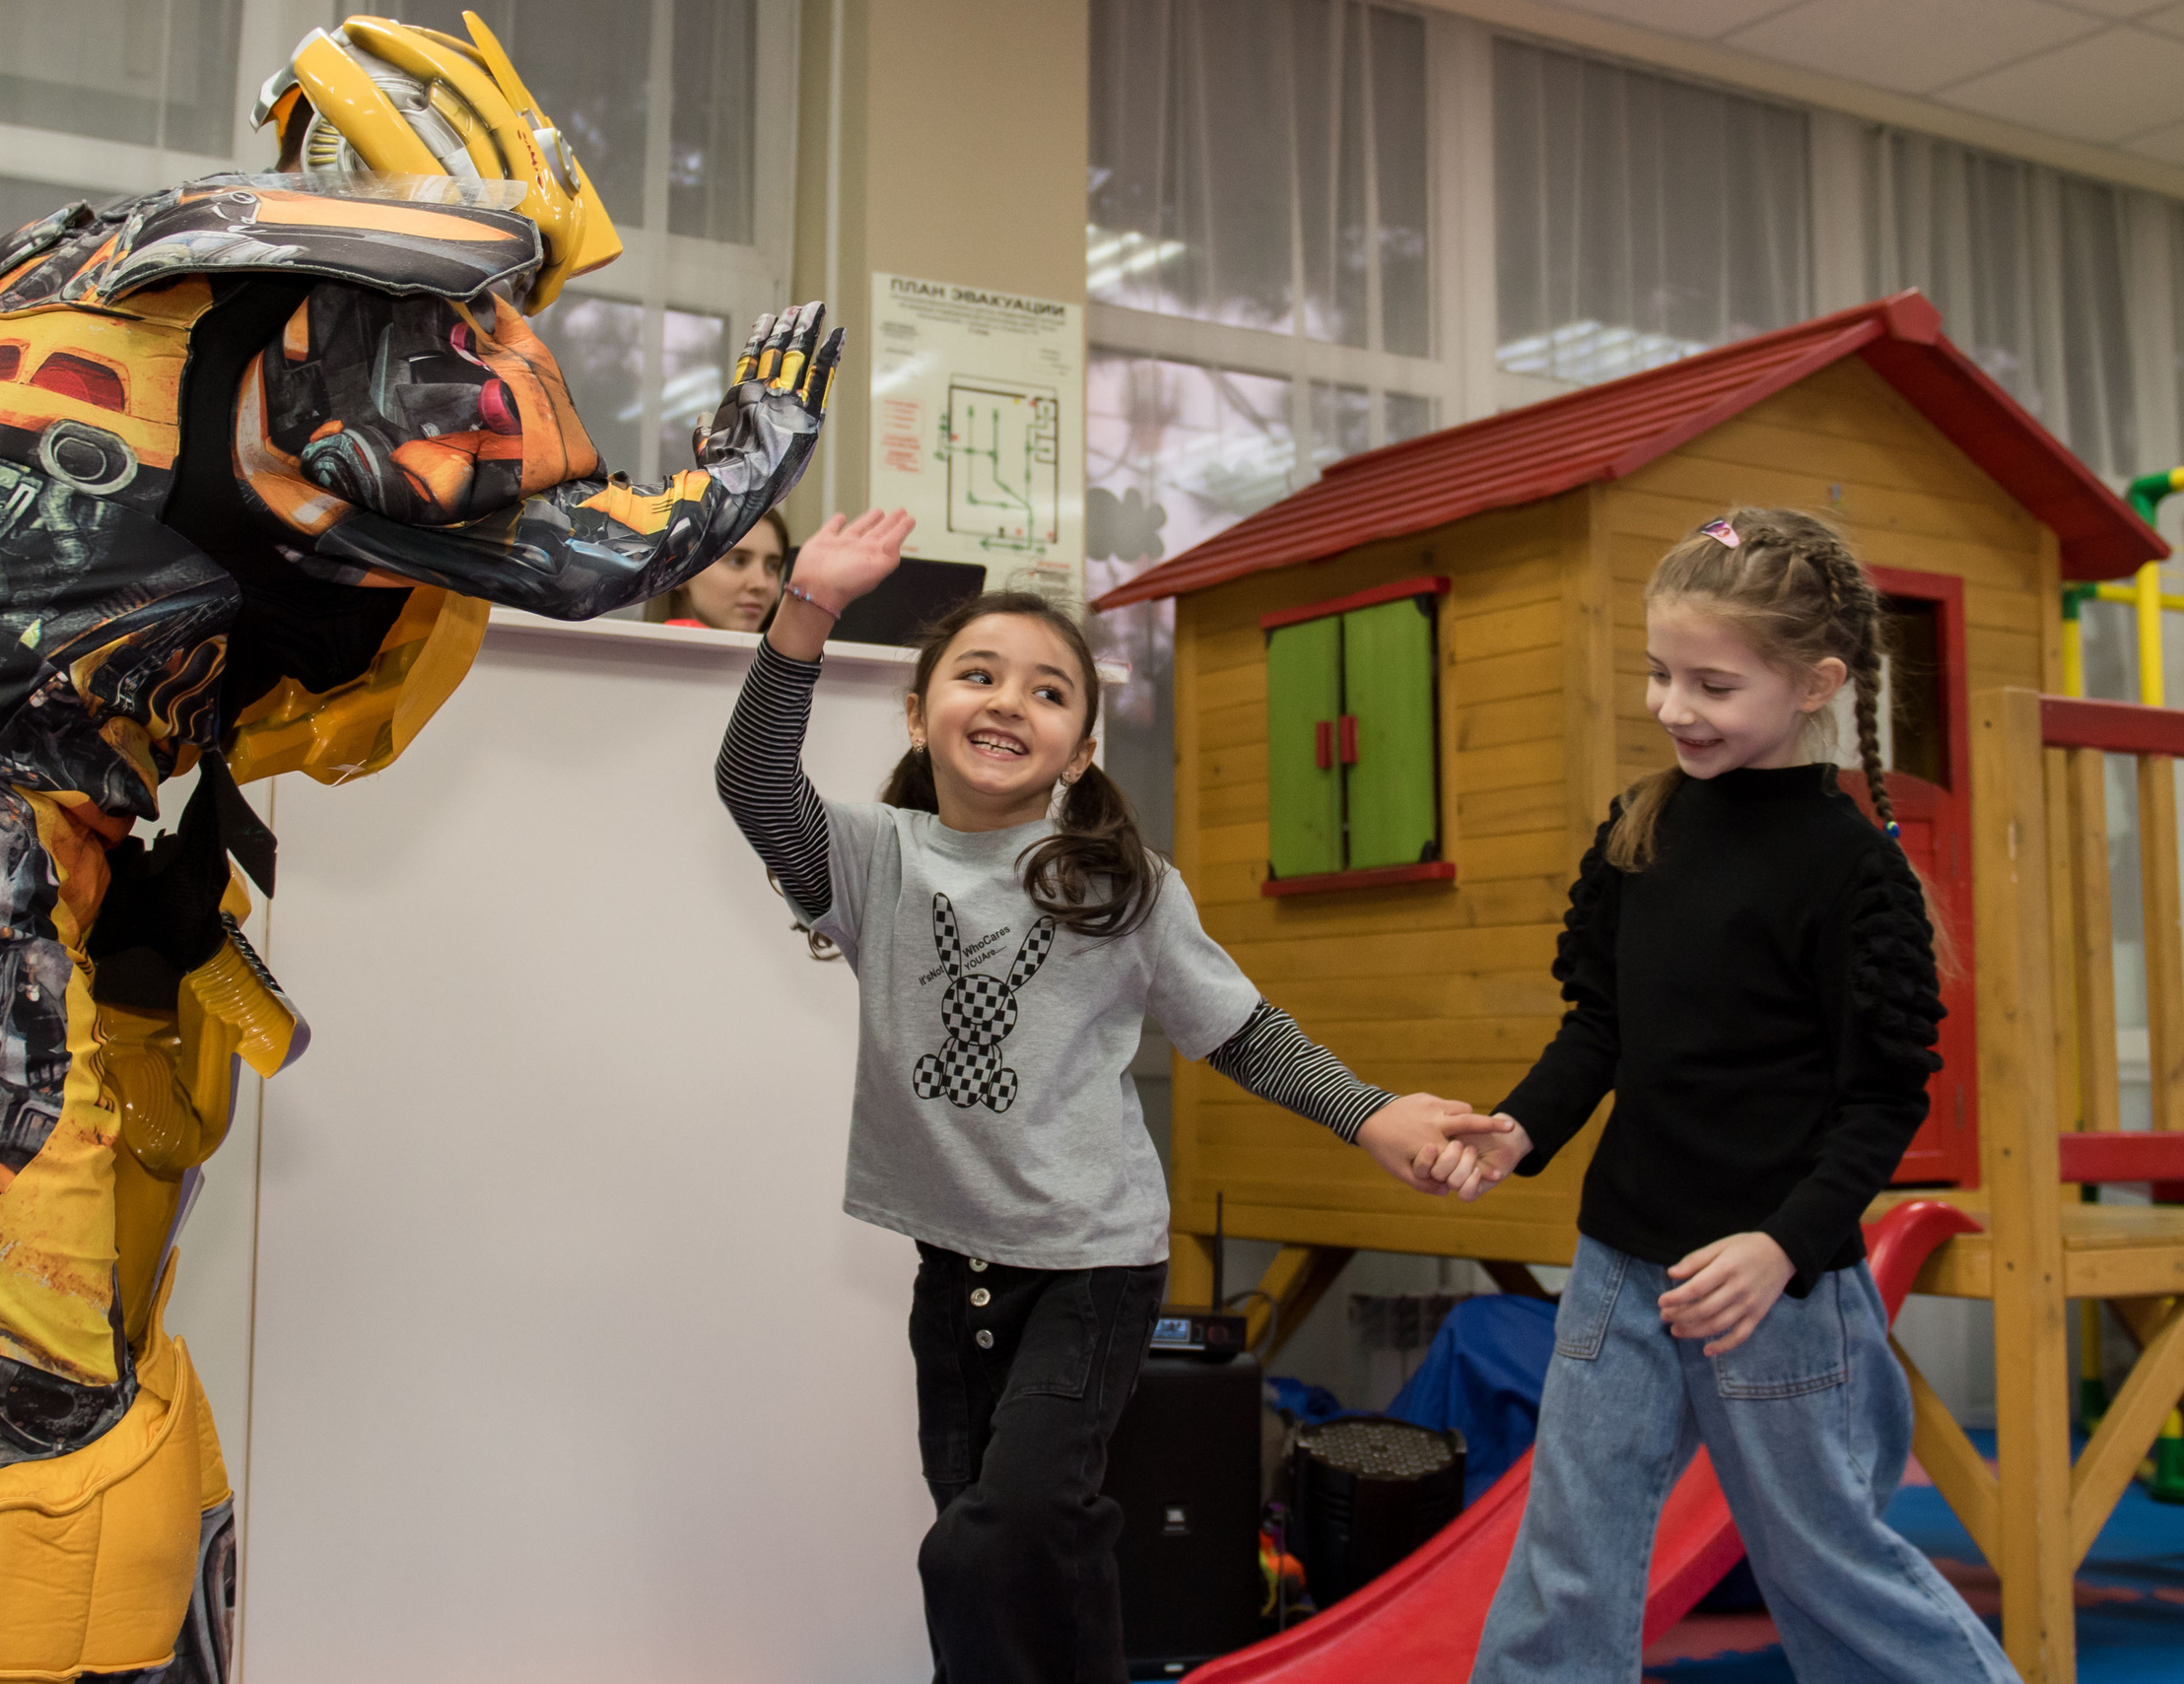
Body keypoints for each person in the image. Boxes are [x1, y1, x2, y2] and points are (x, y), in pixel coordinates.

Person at [0, 14, 839, 1683]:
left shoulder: (44, 308)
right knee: (38, 1457)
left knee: (91, 1372)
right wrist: (750, 457)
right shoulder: (346, 329)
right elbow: (579, 559)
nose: (496, 339)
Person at [715, 507, 1494, 1684]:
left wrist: (1370, 1110)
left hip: (1092, 1263)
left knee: (1000, 1532)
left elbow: (1241, 1032)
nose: (1006, 702)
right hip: (957, 1262)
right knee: (1024, 1539)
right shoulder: (878, 857)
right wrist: (808, 605)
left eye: (1046, 691)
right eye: (976, 675)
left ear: (1080, 747)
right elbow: (754, 780)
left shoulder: (1120, 883)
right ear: (921, 714)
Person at [1442, 508, 2016, 1683]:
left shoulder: (1853, 871)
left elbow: (1881, 1103)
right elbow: (1599, 1026)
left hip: (1775, 1290)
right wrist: (1519, 1126)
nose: (1672, 706)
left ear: (1815, 683)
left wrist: (1779, 1247)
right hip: (1617, 1272)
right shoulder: (1641, 830)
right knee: (1569, 1554)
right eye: (1660, 673)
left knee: (1824, 1563)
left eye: (1712, 682)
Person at [655, 507, 789, 628]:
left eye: (772, 566)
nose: (761, 584)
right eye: (738, 561)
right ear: (678, 569)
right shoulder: (646, 654)